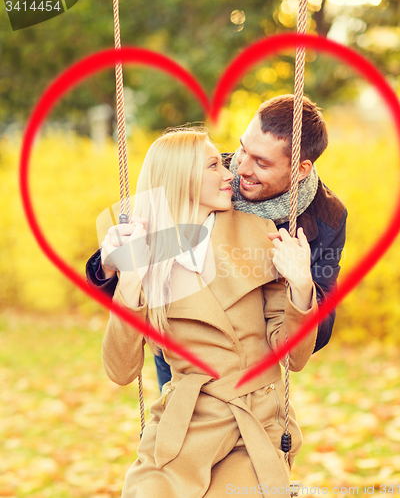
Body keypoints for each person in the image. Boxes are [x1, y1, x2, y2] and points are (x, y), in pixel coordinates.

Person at [102, 127, 318, 497]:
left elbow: (293, 358)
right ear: (182, 177)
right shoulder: (145, 248)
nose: (230, 174)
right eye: (214, 165)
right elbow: (121, 371)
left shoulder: (259, 233)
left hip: (252, 424)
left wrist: (301, 287)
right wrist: (130, 283)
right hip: (184, 424)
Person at [86, 94, 347, 391]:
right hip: (182, 345)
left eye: (261, 162)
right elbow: (131, 249)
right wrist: (108, 267)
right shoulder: (213, 175)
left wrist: (297, 286)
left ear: (300, 169)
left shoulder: (326, 218)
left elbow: (318, 319)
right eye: (242, 149)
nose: (239, 169)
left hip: (251, 360)